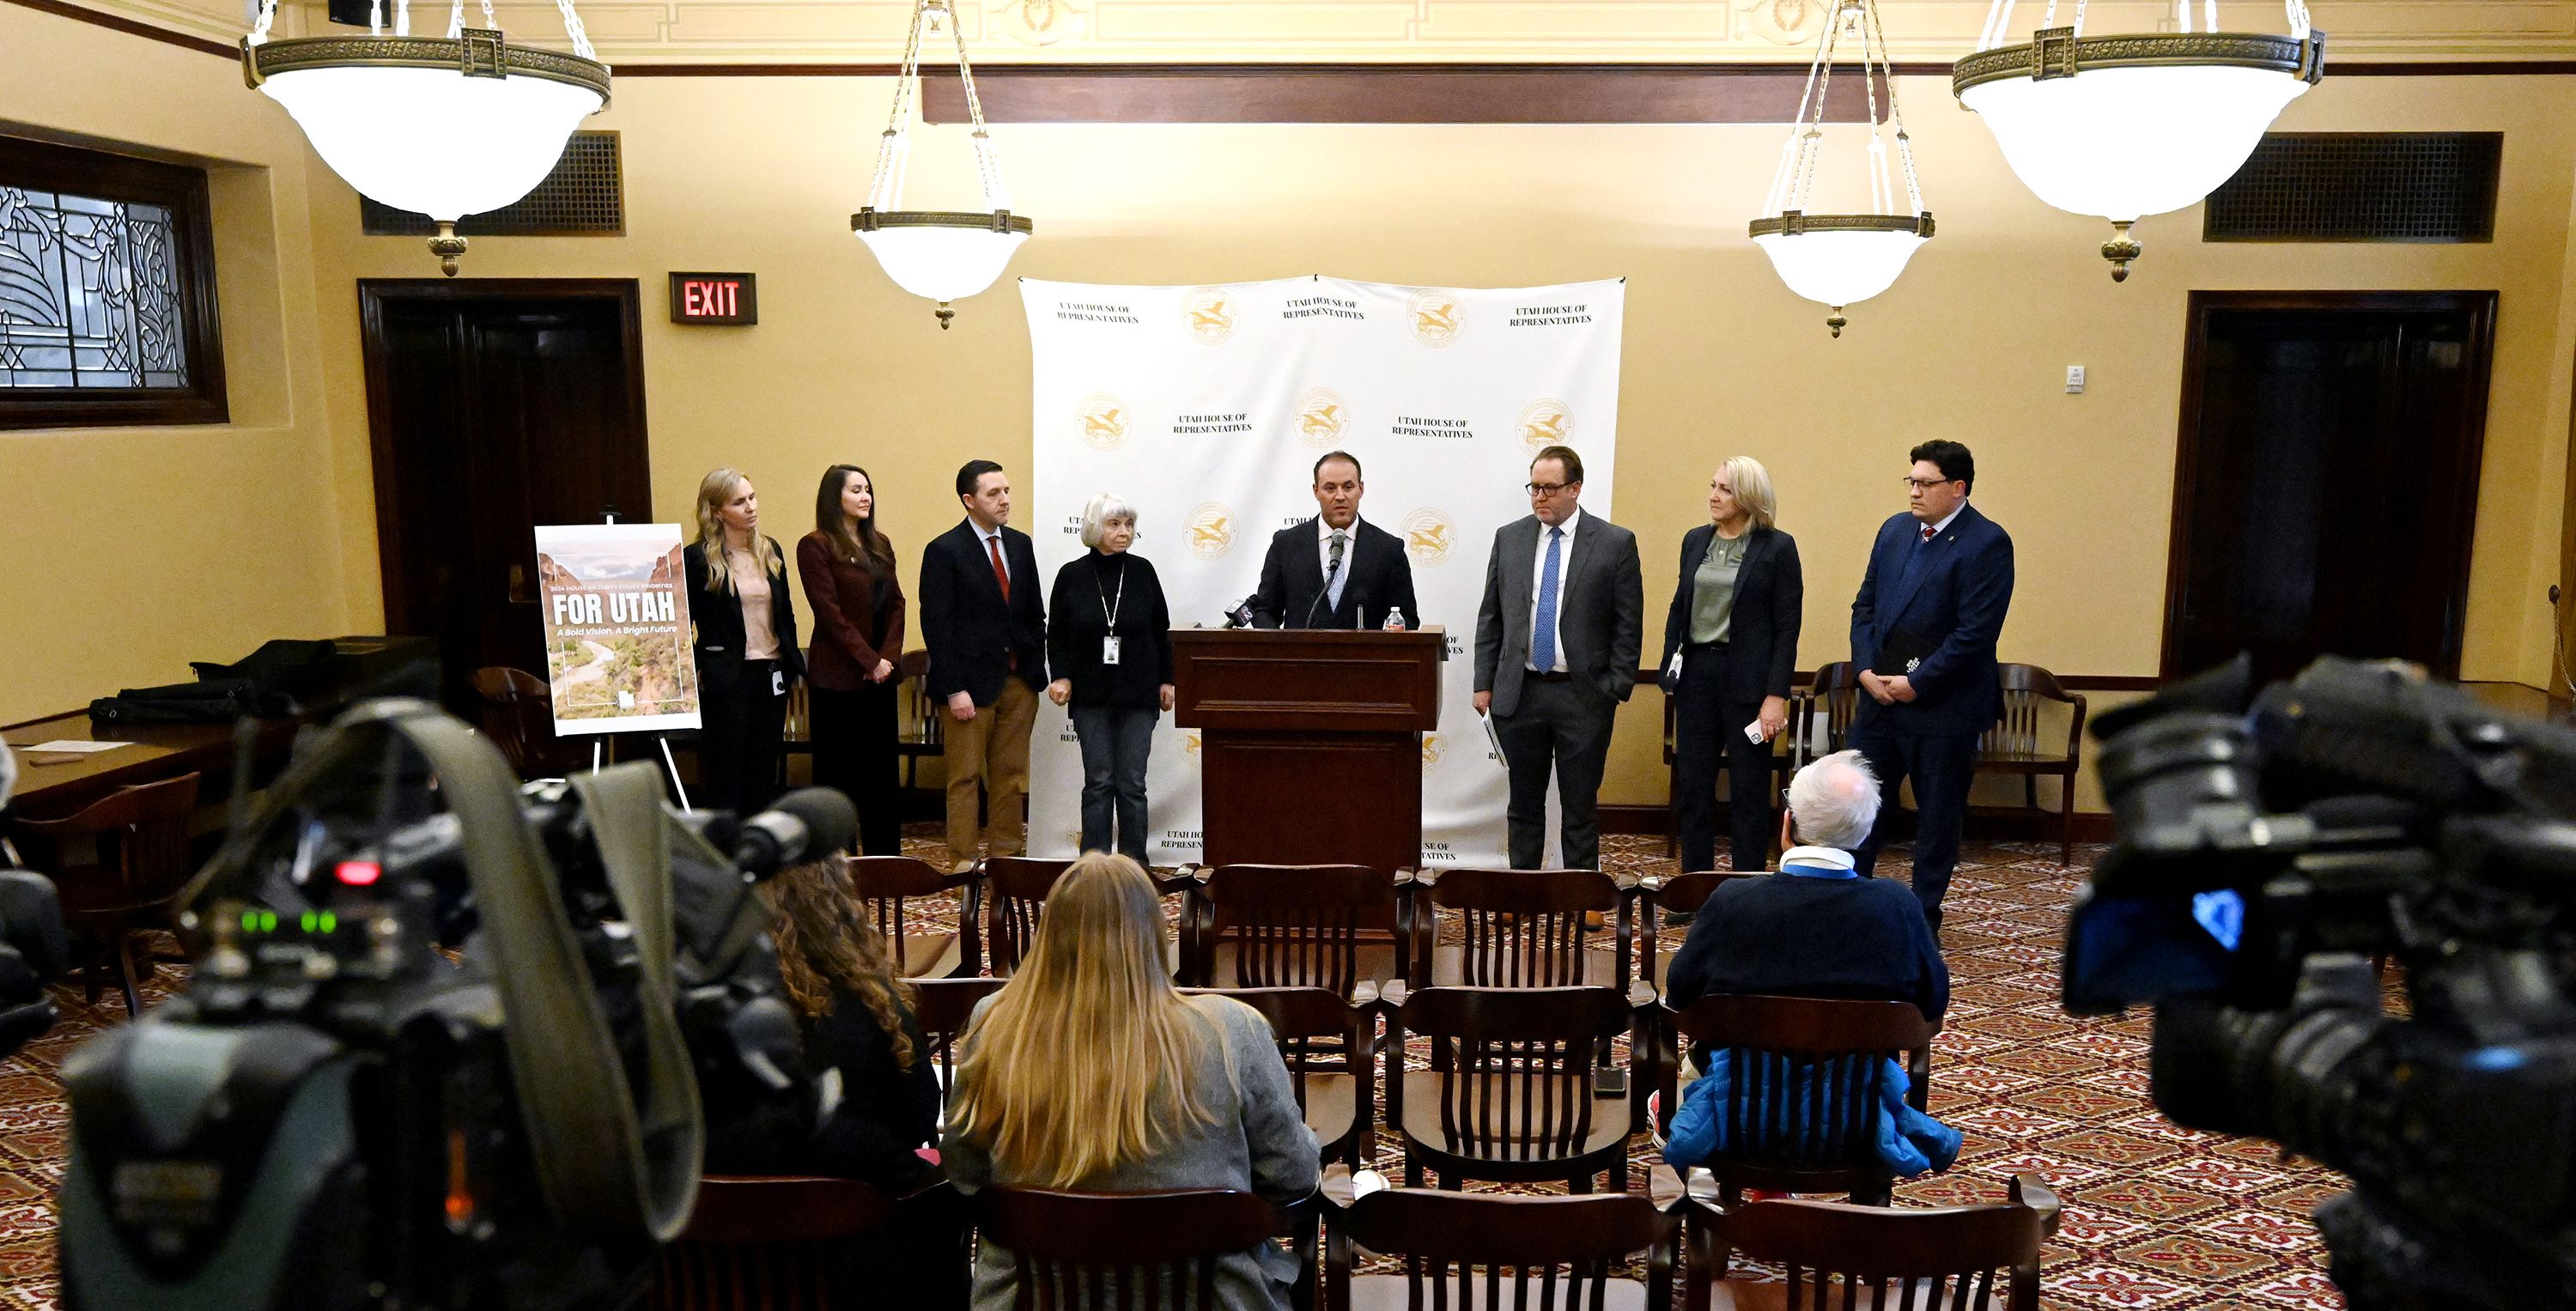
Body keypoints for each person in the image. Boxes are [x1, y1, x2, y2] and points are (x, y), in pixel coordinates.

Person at [944, 853, 1318, 1311]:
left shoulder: (997, 1025)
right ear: (1153, 936)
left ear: (1050, 933)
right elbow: (1293, 1175)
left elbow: (964, 1176)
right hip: (1208, 1298)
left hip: (1035, 1298)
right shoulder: (1231, 1031)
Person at [1848, 440, 2015, 933]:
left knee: (1937, 818)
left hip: (1943, 708)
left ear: (1958, 488)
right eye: (1911, 481)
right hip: (1878, 700)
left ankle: (1922, 919)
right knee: (1857, 807)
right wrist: (1863, 670)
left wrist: (1916, 684)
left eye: (1926, 483)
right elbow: (1865, 607)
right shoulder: (1895, 530)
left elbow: (1975, 634)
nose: (1915, 491)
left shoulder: (1986, 542)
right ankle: (1853, 907)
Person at [1663, 750, 1948, 1026]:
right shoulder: (1898, 906)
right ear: (1865, 834)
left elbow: (1680, 992)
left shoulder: (1732, 900)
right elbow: (1933, 1002)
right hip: (1862, 1075)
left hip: (1744, 1074)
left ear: (1787, 824)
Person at [1473, 445, 1643, 873]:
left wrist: (1614, 687)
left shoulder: (1613, 543)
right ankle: (1523, 890)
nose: (1539, 498)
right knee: (1523, 802)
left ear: (1575, 488)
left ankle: (1582, 893)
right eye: (1534, 488)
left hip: (1583, 696)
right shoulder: (1509, 538)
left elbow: (1628, 623)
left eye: (1550, 488)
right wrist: (1484, 682)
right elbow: (1491, 614)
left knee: (1580, 804)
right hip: (1521, 692)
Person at [752, 857, 941, 1186]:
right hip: (871, 1220)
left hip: (727, 1226)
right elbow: (922, 1116)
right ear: (836, 903)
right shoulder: (875, 1005)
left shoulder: (705, 1010)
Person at [1659, 455, 1803, 880]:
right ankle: (1694, 886)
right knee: (1695, 790)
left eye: (1724, 488)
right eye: (1712, 486)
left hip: (1749, 685)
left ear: (1749, 497)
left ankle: (1747, 887)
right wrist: (1670, 665)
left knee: (1748, 791)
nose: (1713, 495)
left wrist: (1775, 696)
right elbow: (1679, 607)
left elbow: (1787, 628)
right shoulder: (1695, 540)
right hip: (1697, 679)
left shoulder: (1777, 548)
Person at [920, 459, 1048, 873]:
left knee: (1010, 778)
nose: (1005, 500)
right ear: (969, 500)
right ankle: (963, 862)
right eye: (994, 494)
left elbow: (1033, 613)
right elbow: (937, 626)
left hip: (1018, 681)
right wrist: (954, 688)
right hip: (968, 688)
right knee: (965, 779)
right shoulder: (944, 550)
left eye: (1007, 491)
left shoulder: (1020, 543)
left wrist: (1032, 665)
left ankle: (1007, 859)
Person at [1046, 493, 1176, 865]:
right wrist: (1062, 677)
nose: (1124, 532)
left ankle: (1135, 864)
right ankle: (1094, 864)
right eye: (1114, 524)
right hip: (1090, 696)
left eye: (1129, 525)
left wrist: (1167, 680)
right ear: (1093, 528)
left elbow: (1160, 630)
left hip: (1139, 696)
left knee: (1132, 784)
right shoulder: (1071, 575)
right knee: (1099, 781)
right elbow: (1056, 635)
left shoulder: (1143, 571)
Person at [799, 464, 906, 855]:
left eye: (868, 490)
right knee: (839, 778)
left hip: (881, 678)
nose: (866, 497)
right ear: (835, 498)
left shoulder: (880, 543)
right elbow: (829, 614)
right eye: (856, 490)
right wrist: (868, 661)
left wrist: (888, 659)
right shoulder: (816, 545)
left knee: (880, 777)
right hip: (838, 680)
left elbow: (896, 603)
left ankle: (884, 861)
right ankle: (838, 862)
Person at [684, 468, 804, 819]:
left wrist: (791, 662)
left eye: (752, 498)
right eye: (739, 502)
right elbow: (682, 621)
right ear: (717, 511)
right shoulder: (698, 558)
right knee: (727, 770)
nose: (751, 507)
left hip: (770, 671)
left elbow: (786, 614)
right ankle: (727, 851)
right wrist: (699, 668)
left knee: (763, 769)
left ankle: (761, 847)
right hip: (726, 677)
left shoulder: (770, 549)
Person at [1249, 450, 1420, 629]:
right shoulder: (1286, 545)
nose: (1340, 496)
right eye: (1330, 488)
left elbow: (1406, 620)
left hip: (1365, 657)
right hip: (1300, 656)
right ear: (1316, 491)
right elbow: (1266, 611)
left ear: (1361, 489)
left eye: (1348, 487)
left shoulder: (1388, 550)